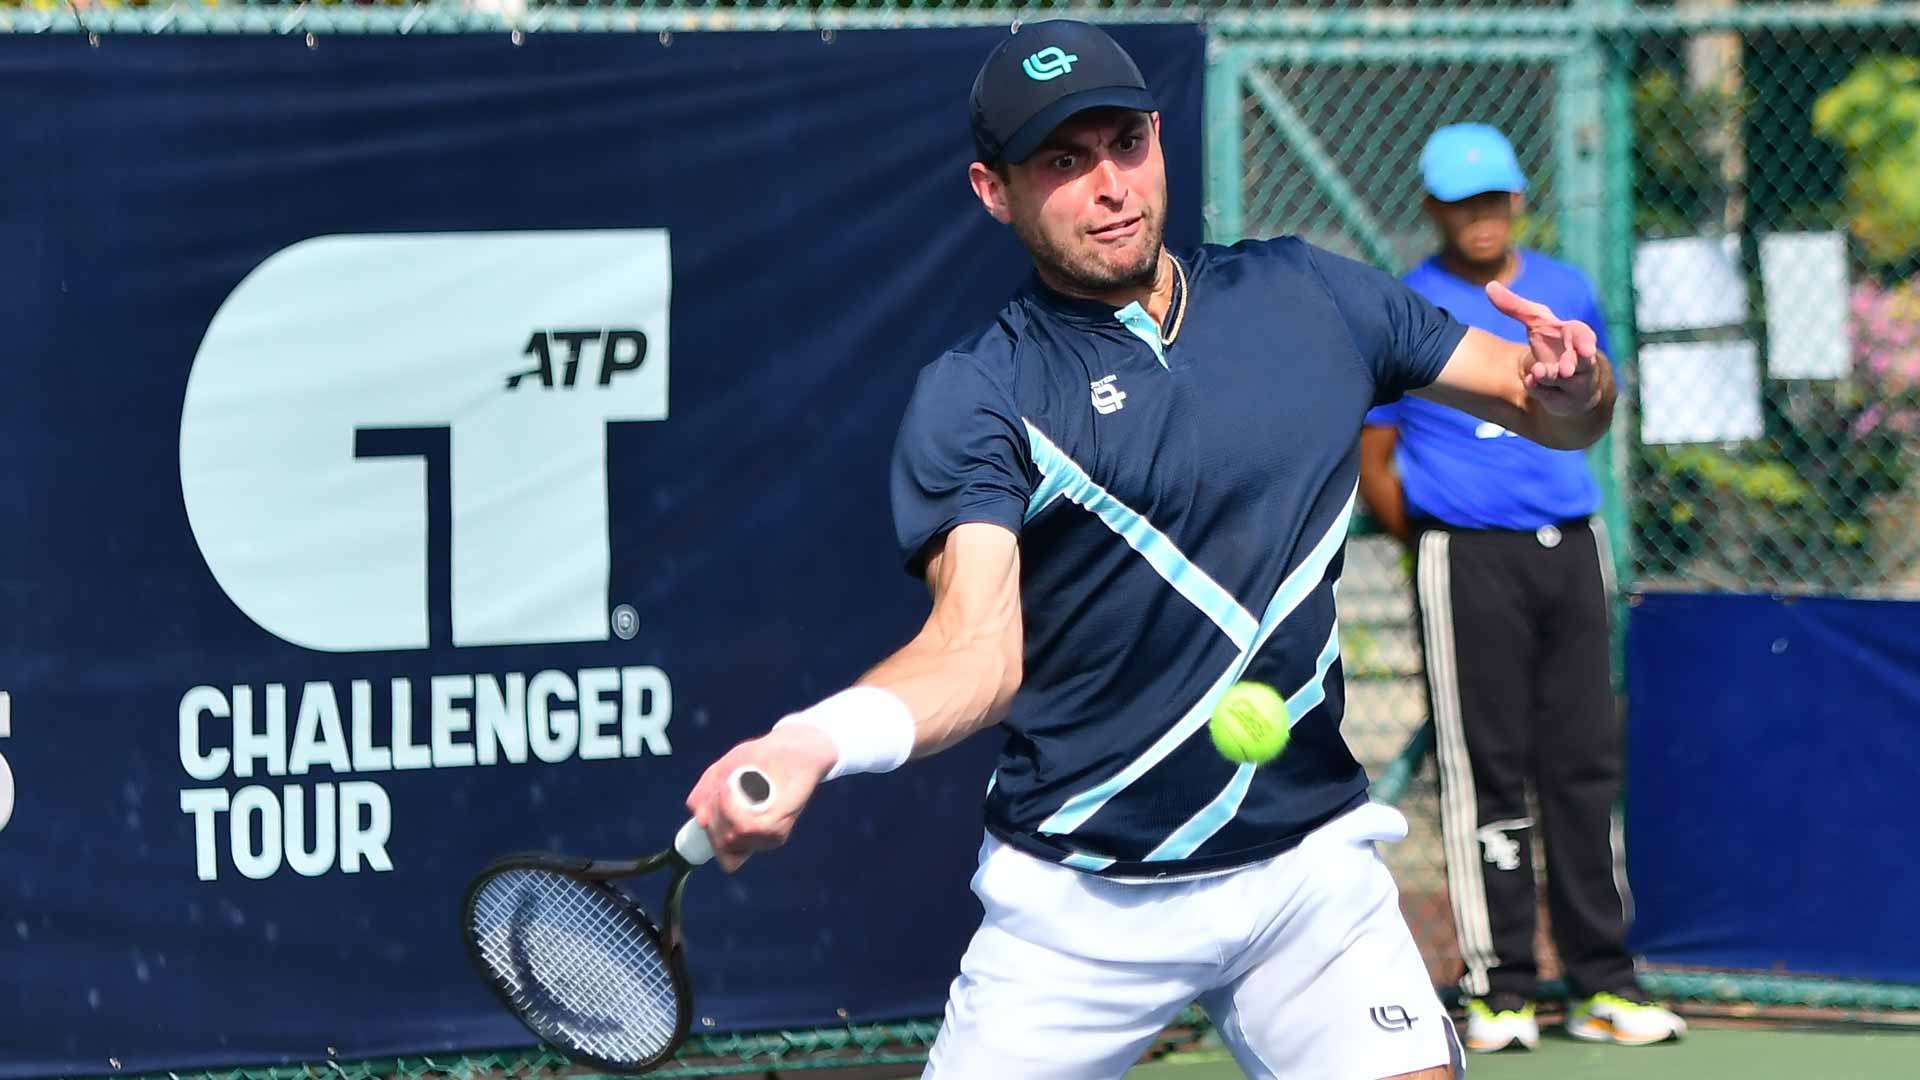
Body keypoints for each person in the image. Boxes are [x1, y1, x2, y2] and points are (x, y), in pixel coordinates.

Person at [685, 23, 1613, 1080]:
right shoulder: (984, 392)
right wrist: (814, 739)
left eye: (1125, 143)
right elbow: (975, 652)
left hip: (1306, 873)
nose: (1110, 186)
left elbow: (1554, 411)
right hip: (1082, 906)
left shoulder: (1311, 298)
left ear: (1160, 137)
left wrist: (1575, 387)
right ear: (994, 190)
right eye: (1064, 163)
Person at [1356, 123, 1685, 1053]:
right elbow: (1376, 455)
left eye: (1494, 199)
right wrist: (1431, 538)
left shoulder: (1569, 291)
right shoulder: (1404, 308)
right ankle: (1499, 986)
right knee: (1485, 771)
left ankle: (1602, 983)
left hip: (1573, 550)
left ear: (1517, 201)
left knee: (1584, 767)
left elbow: (1595, 404)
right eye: (1462, 203)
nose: (1481, 218)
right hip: (1464, 559)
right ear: (1431, 210)